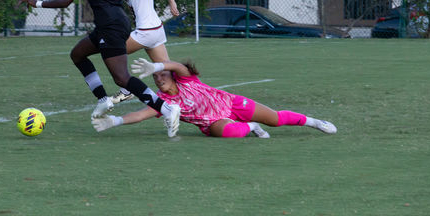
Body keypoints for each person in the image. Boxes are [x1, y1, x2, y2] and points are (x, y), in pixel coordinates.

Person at [18, 0, 189, 137]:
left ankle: (166, 109)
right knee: (78, 54)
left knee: (122, 78)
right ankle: (103, 99)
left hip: (110, 27)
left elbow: (66, 1)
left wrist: (37, 3)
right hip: (113, 24)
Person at [92, 58, 338, 138]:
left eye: (162, 75)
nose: (159, 79)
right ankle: (251, 128)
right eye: (156, 78)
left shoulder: (186, 79)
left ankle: (314, 122)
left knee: (275, 119)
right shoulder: (160, 101)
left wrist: (156, 65)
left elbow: (177, 64)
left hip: (231, 103)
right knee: (229, 134)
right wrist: (115, 121)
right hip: (212, 122)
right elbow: (141, 113)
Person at [111, 0, 180, 104]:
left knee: (112, 51)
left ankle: (128, 89)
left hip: (147, 30)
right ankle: (185, 99)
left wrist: (172, 2)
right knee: (166, 73)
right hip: (153, 30)